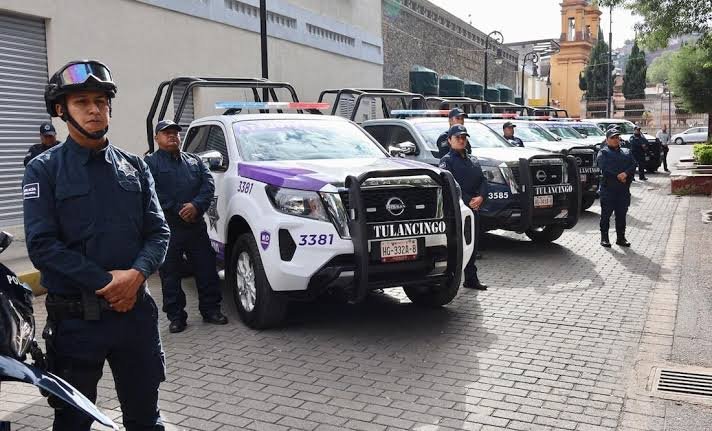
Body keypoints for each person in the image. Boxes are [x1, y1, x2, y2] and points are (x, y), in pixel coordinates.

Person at [23, 60, 170, 430]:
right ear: (61, 110)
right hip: (76, 323)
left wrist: (136, 275)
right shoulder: (44, 169)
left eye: (101, 101)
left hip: (134, 316)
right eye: (82, 102)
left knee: (145, 419)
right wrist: (108, 283)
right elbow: (42, 247)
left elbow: (159, 232)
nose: (94, 109)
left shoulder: (135, 166)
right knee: (73, 422)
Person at [145, 120, 228, 333]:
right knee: (170, 275)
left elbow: (208, 185)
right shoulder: (150, 163)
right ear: (156, 138)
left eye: (175, 132)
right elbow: (152, 191)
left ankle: (211, 310)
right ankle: (176, 317)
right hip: (168, 228)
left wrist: (196, 206)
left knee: (206, 270)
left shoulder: (195, 161)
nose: (172, 136)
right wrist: (179, 209)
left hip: (195, 226)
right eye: (166, 133)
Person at [439, 125, 488, 290]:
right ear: (449, 140)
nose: (461, 140)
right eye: (457, 137)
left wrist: (481, 197)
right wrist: (469, 201)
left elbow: (483, 180)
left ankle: (471, 278)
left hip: (474, 208)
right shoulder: (446, 161)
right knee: (458, 246)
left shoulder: (473, 159)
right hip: (458, 209)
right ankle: (449, 281)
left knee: (473, 243)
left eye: (463, 137)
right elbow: (450, 185)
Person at [597, 127, 636, 248]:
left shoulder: (626, 152)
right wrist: (618, 176)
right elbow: (604, 168)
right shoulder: (603, 152)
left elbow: (633, 164)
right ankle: (604, 238)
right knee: (606, 215)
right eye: (612, 137)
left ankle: (621, 238)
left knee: (621, 215)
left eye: (617, 137)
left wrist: (625, 173)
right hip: (608, 189)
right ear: (607, 140)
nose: (615, 139)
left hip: (623, 190)